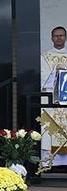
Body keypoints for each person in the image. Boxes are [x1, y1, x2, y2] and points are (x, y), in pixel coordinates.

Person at [40, 26, 67, 166]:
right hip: (52, 100)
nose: (59, 38)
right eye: (56, 36)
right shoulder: (45, 57)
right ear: (51, 38)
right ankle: (51, 163)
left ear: (65, 37)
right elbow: (42, 78)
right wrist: (55, 71)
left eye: (61, 35)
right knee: (51, 131)